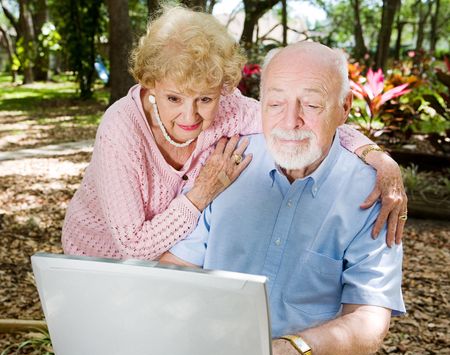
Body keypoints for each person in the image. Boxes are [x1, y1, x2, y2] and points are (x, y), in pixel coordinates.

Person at [62, 6, 406, 261]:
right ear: (150, 85)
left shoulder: (230, 110)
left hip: (166, 260)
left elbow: (303, 124)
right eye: (173, 98)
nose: (190, 115)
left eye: (205, 98)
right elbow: (132, 247)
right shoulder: (121, 127)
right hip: (96, 258)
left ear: (223, 89)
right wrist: (202, 192)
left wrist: (378, 157)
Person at [161, 42, 405, 355]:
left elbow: (370, 317)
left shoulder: (373, 193)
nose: (290, 121)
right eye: (275, 104)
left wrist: (299, 350)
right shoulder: (227, 162)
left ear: (344, 108)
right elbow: (176, 267)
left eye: (311, 104)